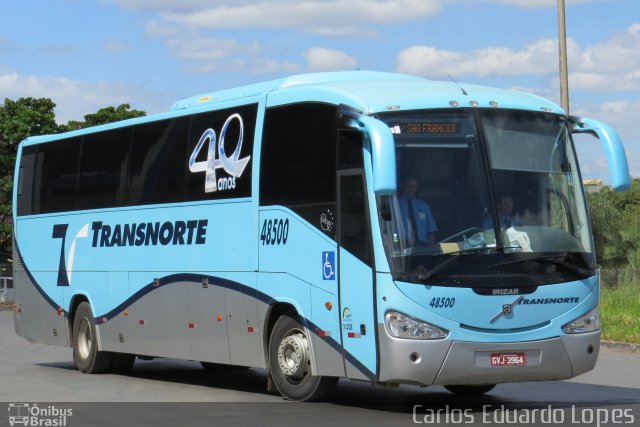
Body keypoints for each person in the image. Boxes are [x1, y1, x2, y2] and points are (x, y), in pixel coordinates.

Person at [397, 177, 437, 245]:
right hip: (404, 244)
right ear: (402, 186)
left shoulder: (423, 205)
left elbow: (430, 230)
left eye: (414, 186)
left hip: (423, 244)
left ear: (417, 188)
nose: (411, 189)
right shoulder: (396, 204)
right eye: (408, 186)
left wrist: (433, 250)